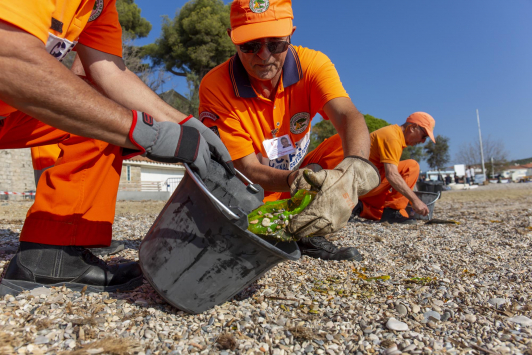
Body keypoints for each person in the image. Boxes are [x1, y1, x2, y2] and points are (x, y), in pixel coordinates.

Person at [0, 0, 235, 296]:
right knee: (105, 114)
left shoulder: (98, 6)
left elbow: (111, 75)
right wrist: (147, 133)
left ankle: (50, 256)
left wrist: (186, 124)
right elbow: (9, 58)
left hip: (8, 112)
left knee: (99, 105)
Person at [199, 0, 380, 261]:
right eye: (250, 45)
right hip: (252, 189)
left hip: (295, 172)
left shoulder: (314, 64)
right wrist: (295, 180)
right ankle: (282, 226)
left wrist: (355, 167)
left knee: (348, 146)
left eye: (275, 44)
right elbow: (246, 168)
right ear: (232, 39)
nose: (264, 55)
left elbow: (347, 116)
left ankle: (308, 230)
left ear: (290, 35)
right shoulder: (215, 86)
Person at [352, 112, 435, 224]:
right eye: (424, 136)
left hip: (362, 185)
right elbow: (391, 174)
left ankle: (360, 206)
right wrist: (415, 200)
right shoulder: (392, 138)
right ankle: (392, 212)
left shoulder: (394, 134)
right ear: (413, 128)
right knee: (411, 166)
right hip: (361, 186)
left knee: (390, 210)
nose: (423, 141)